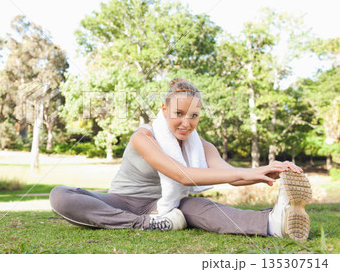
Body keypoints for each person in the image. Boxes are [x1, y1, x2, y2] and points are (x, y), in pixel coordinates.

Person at [50, 78, 312, 240]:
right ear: (164, 109)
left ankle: (273, 222)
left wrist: (263, 172)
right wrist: (248, 172)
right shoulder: (144, 137)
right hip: (122, 201)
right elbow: (180, 174)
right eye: (179, 113)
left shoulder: (203, 146)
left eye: (194, 116)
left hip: (169, 205)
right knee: (61, 195)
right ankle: (147, 225)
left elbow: (228, 174)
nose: (187, 123)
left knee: (201, 208)